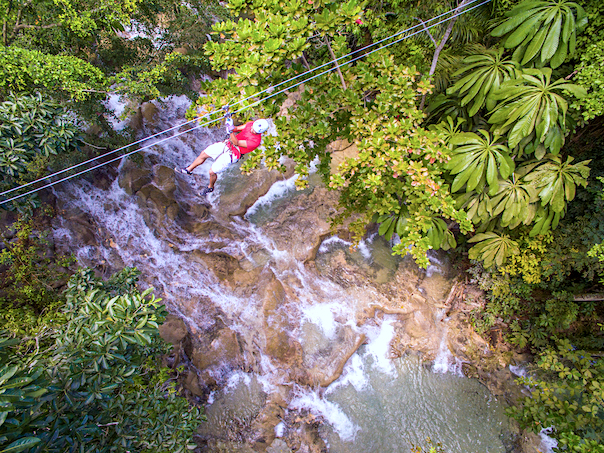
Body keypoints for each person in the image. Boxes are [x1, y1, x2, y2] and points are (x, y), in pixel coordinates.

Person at [175, 119, 269, 195]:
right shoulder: (251, 124)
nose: (252, 130)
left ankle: (210, 187)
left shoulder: (255, 142)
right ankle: (188, 170)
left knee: (212, 171)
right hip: (228, 144)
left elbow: (236, 142)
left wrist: (230, 131)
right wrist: (230, 124)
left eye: (255, 131)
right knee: (204, 154)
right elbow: (236, 128)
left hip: (233, 154)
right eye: (253, 128)